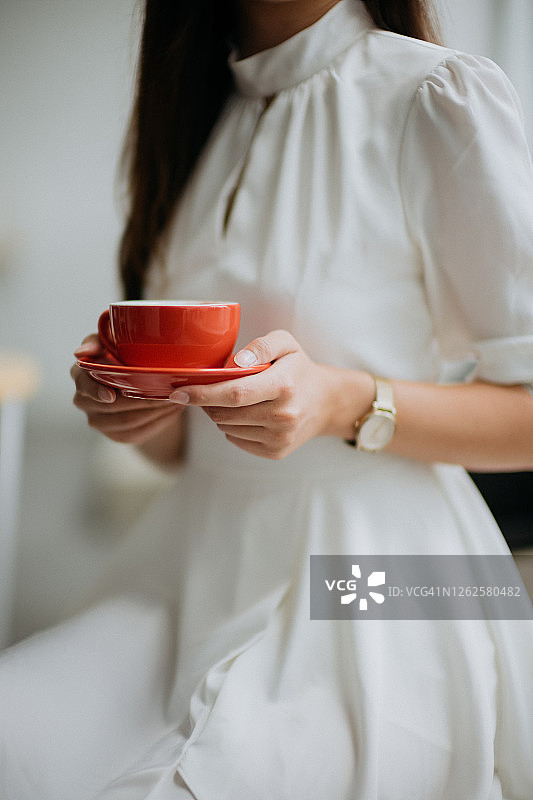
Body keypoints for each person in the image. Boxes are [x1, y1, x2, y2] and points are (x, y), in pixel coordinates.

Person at [2, 0, 533, 797]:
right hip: (189, 564)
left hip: (380, 576)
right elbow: (184, 447)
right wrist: (132, 415)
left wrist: (341, 401)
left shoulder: (434, 94)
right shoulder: (195, 116)